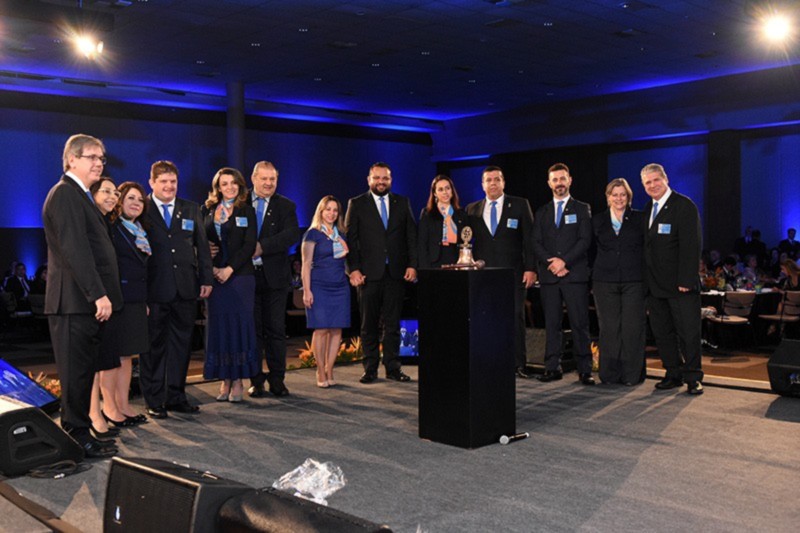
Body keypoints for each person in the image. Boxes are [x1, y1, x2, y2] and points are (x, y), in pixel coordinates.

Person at [42, 134, 122, 457]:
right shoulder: (65, 193)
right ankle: (76, 438)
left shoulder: (81, 195)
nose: (99, 163)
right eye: (92, 157)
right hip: (74, 302)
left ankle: (81, 432)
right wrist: (97, 294)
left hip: (81, 302)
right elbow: (75, 249)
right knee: (75, 375)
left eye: (102, 158)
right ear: (72, 159)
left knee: (84, 373)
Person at [142, 160, 213, 418]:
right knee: (153, 347)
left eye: (173, 181)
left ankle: (176, 396)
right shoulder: (142, 208)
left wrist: (206, 279)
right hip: (154, 289)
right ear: (152, 183)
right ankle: (154, 399)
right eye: (163, 181)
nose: (169, 186)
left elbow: (202, 247)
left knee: (181, 345)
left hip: (185, 289)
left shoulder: (191, 209)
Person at [345, 162, 418, 384]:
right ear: (369, 180)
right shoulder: (357, 204)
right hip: (367, 274)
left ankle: (393, 367)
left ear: (391, 180)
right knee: (368, 325)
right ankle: (370, 369)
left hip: (395, 273)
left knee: (393, 324)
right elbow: (350, 240)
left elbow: (411, 236)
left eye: (385, 178)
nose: (381, 182)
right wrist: (353, 269)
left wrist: (412, 265)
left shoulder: (402, 203)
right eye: (376, 178)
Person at [466, 165, 536, 378]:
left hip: (514, 273)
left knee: (515, 317)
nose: (493, 183)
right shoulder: (472, 210)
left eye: (497, 179)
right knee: (486, 319)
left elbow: (530, 240)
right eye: (489, 180)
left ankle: (518, 365)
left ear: (503, 182)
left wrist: (531, 268)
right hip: (484, 275)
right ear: (483, 185)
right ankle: (490, 362)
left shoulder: (520, 205)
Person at [641, 163, 704, 395]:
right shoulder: (648, 208)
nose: (652, 185)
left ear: (666, 179)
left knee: (689, 333)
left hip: (680, 286)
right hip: (655, 286)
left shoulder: (684, 205)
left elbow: (692, 245)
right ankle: (673, 373)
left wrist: (686, 279)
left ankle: (693, 378)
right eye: (647, 183)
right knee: (663, 333)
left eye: (656, 180)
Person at [532, 163, 594, 385]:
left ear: (570, 180)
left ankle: (585, 369)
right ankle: (552, 367)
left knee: (579, 323)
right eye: (555, 179)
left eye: (562, 179)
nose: (559, 183)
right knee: (552, 324)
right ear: (549, 183)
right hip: (550, 277)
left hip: (574, 275)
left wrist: (564, 261)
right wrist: (552, 263)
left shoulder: (582, 208)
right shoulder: (542, 212)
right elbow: (536, 242)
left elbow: (585, 240)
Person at [202, 167, 259, 403]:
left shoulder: (247, 210)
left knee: (239, 327)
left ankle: (238, 381)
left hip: (240, 277)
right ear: (217, 187)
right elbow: (200, 241)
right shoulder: (206, 210)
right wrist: (211, 265)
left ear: (240, 185)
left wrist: (229, 269)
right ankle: (224, 379)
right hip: (215, 279)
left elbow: (249, 245)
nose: (230, 187)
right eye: (224, 183)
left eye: (234, 183)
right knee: (220, 328)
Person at [247, 161, 301, 398]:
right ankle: (255, 380)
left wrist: (262, 247)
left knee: (276, 330)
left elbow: (291, 234)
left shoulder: (286, 205)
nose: (268, 183)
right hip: (246, 278)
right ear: (253, 179)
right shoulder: (239, 202)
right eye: (264, 179)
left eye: (273, 179)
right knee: (253, 332)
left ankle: (277, 379)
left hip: (276, 278)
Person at [99, 181, 151, 426]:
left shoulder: (140, 230)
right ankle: (109, 408)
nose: (136, 203)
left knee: (128, 355)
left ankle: (123, 405)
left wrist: (144, 299)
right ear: (120, 201)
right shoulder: (113, 227)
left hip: (136, 299)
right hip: (117, 299)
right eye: (131, 198)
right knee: (113, 356)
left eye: (140, 200)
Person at [591, 178, 646, 386]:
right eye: (615, 195)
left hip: (634, 280)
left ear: (629, 197)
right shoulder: (597, 221)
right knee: (609, 328)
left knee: (632, 328)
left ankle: (632, 375)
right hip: (604, 281)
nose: (619, 198)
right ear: (608, 197)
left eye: (623, 194)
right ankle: (610, 375)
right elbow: (590, 250)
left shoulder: (640, 219)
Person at [88, 178, 126, 441]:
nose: (113, 196)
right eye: (106, 191)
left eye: (115, 193)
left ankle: (104, 410)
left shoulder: (107, 223)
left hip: (111, 300)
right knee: (92, 362)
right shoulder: (90, 221)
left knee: (106, 359)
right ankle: (93, 413)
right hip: (95, 301)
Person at [301, 195, 351, 388]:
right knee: (321, 328)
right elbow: (306, 264)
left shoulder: (341, 235)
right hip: (319, 286)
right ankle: (320, 370)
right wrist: (307, 290)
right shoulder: (312, 234)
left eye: (335, 210)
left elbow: (345, 262)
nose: (331, 213)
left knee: (337, 329)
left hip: (340, 286)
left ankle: (330, 369)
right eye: (328, 209)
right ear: (320, 211)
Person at [418, 175, 467, 268]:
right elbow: (422, 243)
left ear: (452, 191)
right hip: (434, 261)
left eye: (447, 188)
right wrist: (424, 267)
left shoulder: (461, 214)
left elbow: (465, 240)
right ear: (435, 193)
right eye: (440, 189)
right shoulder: (427, 213)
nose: (445, 192)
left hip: (456, 260)